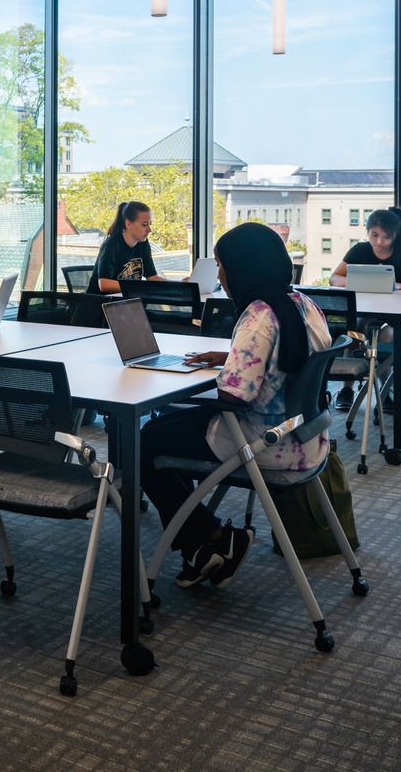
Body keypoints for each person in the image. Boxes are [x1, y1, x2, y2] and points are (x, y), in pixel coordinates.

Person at [140, 221, 331, 590]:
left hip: (263, 441)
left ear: (243, 268)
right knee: (164, 431)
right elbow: (287, 358)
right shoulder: (302, 303)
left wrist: (183, 389)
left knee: (144, 442)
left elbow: (234, 396)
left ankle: (209, 538)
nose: (221, 275)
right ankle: (203, 541)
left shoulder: (259, 315)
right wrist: (232, 356)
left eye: (222, 266)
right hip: (306, 438)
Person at [329, 207, 401, 410]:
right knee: (355, 332)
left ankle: (385, 391)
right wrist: (358, 281)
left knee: (386, 336)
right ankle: (347, 388)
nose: (378, 242)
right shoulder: (360, 250)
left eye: (386, 237)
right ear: (367, 231)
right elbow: (334, 278)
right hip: (366, 311)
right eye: (374, 235)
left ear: (395, 236)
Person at [91, 200, 165, 294]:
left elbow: (152, 277)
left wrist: (180, 285)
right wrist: (140, 288)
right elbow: (105, 284)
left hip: (128, 301)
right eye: (144, 225)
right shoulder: (111, 244)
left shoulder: (143, 244)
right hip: (101, 304)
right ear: (128, 224)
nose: (149, 230)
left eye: (150, 224)